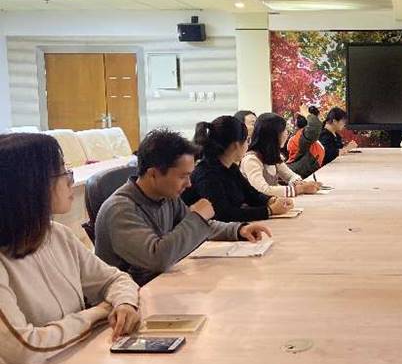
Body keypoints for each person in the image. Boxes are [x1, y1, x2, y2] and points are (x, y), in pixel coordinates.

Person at [0, 134, 140, 364]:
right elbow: (23, 350)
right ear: (30, 185)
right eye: (62, 173)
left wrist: (125, 303)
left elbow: (115, 279)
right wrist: (99, 313)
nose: (70, 181)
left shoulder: (56, 234)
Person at [94, 129, 271, 286]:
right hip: (127, 302)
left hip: (161, 286)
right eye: (182, 176)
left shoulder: (166, 196)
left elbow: (198, 226)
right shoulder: (120, 209)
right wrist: (198, 217)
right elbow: (158, 258)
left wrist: (238, 230)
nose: (189, 184)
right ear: (153, 174)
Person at [184, 116, 294, 222]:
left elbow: (251, 194)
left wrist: (271, 200)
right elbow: (223, 214)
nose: (248, 145)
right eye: (247, 140)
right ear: (236, 145)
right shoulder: (207, 174)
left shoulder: (231, 168)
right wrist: (269, 211)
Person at [241, 112, 321, 198]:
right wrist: (300, 189)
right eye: (284, 130)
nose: (287, 133)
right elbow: (263, 190)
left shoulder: (272, 155)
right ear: (273, 135)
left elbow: (290, 175)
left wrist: (299, 183)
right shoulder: (251, 160)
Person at [286, 104, 325, 179]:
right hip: (301, 176)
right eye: (317, 118)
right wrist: (306, 114)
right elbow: (315, 126)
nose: (320, 120)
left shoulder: (303, 136)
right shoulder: (302, 136)